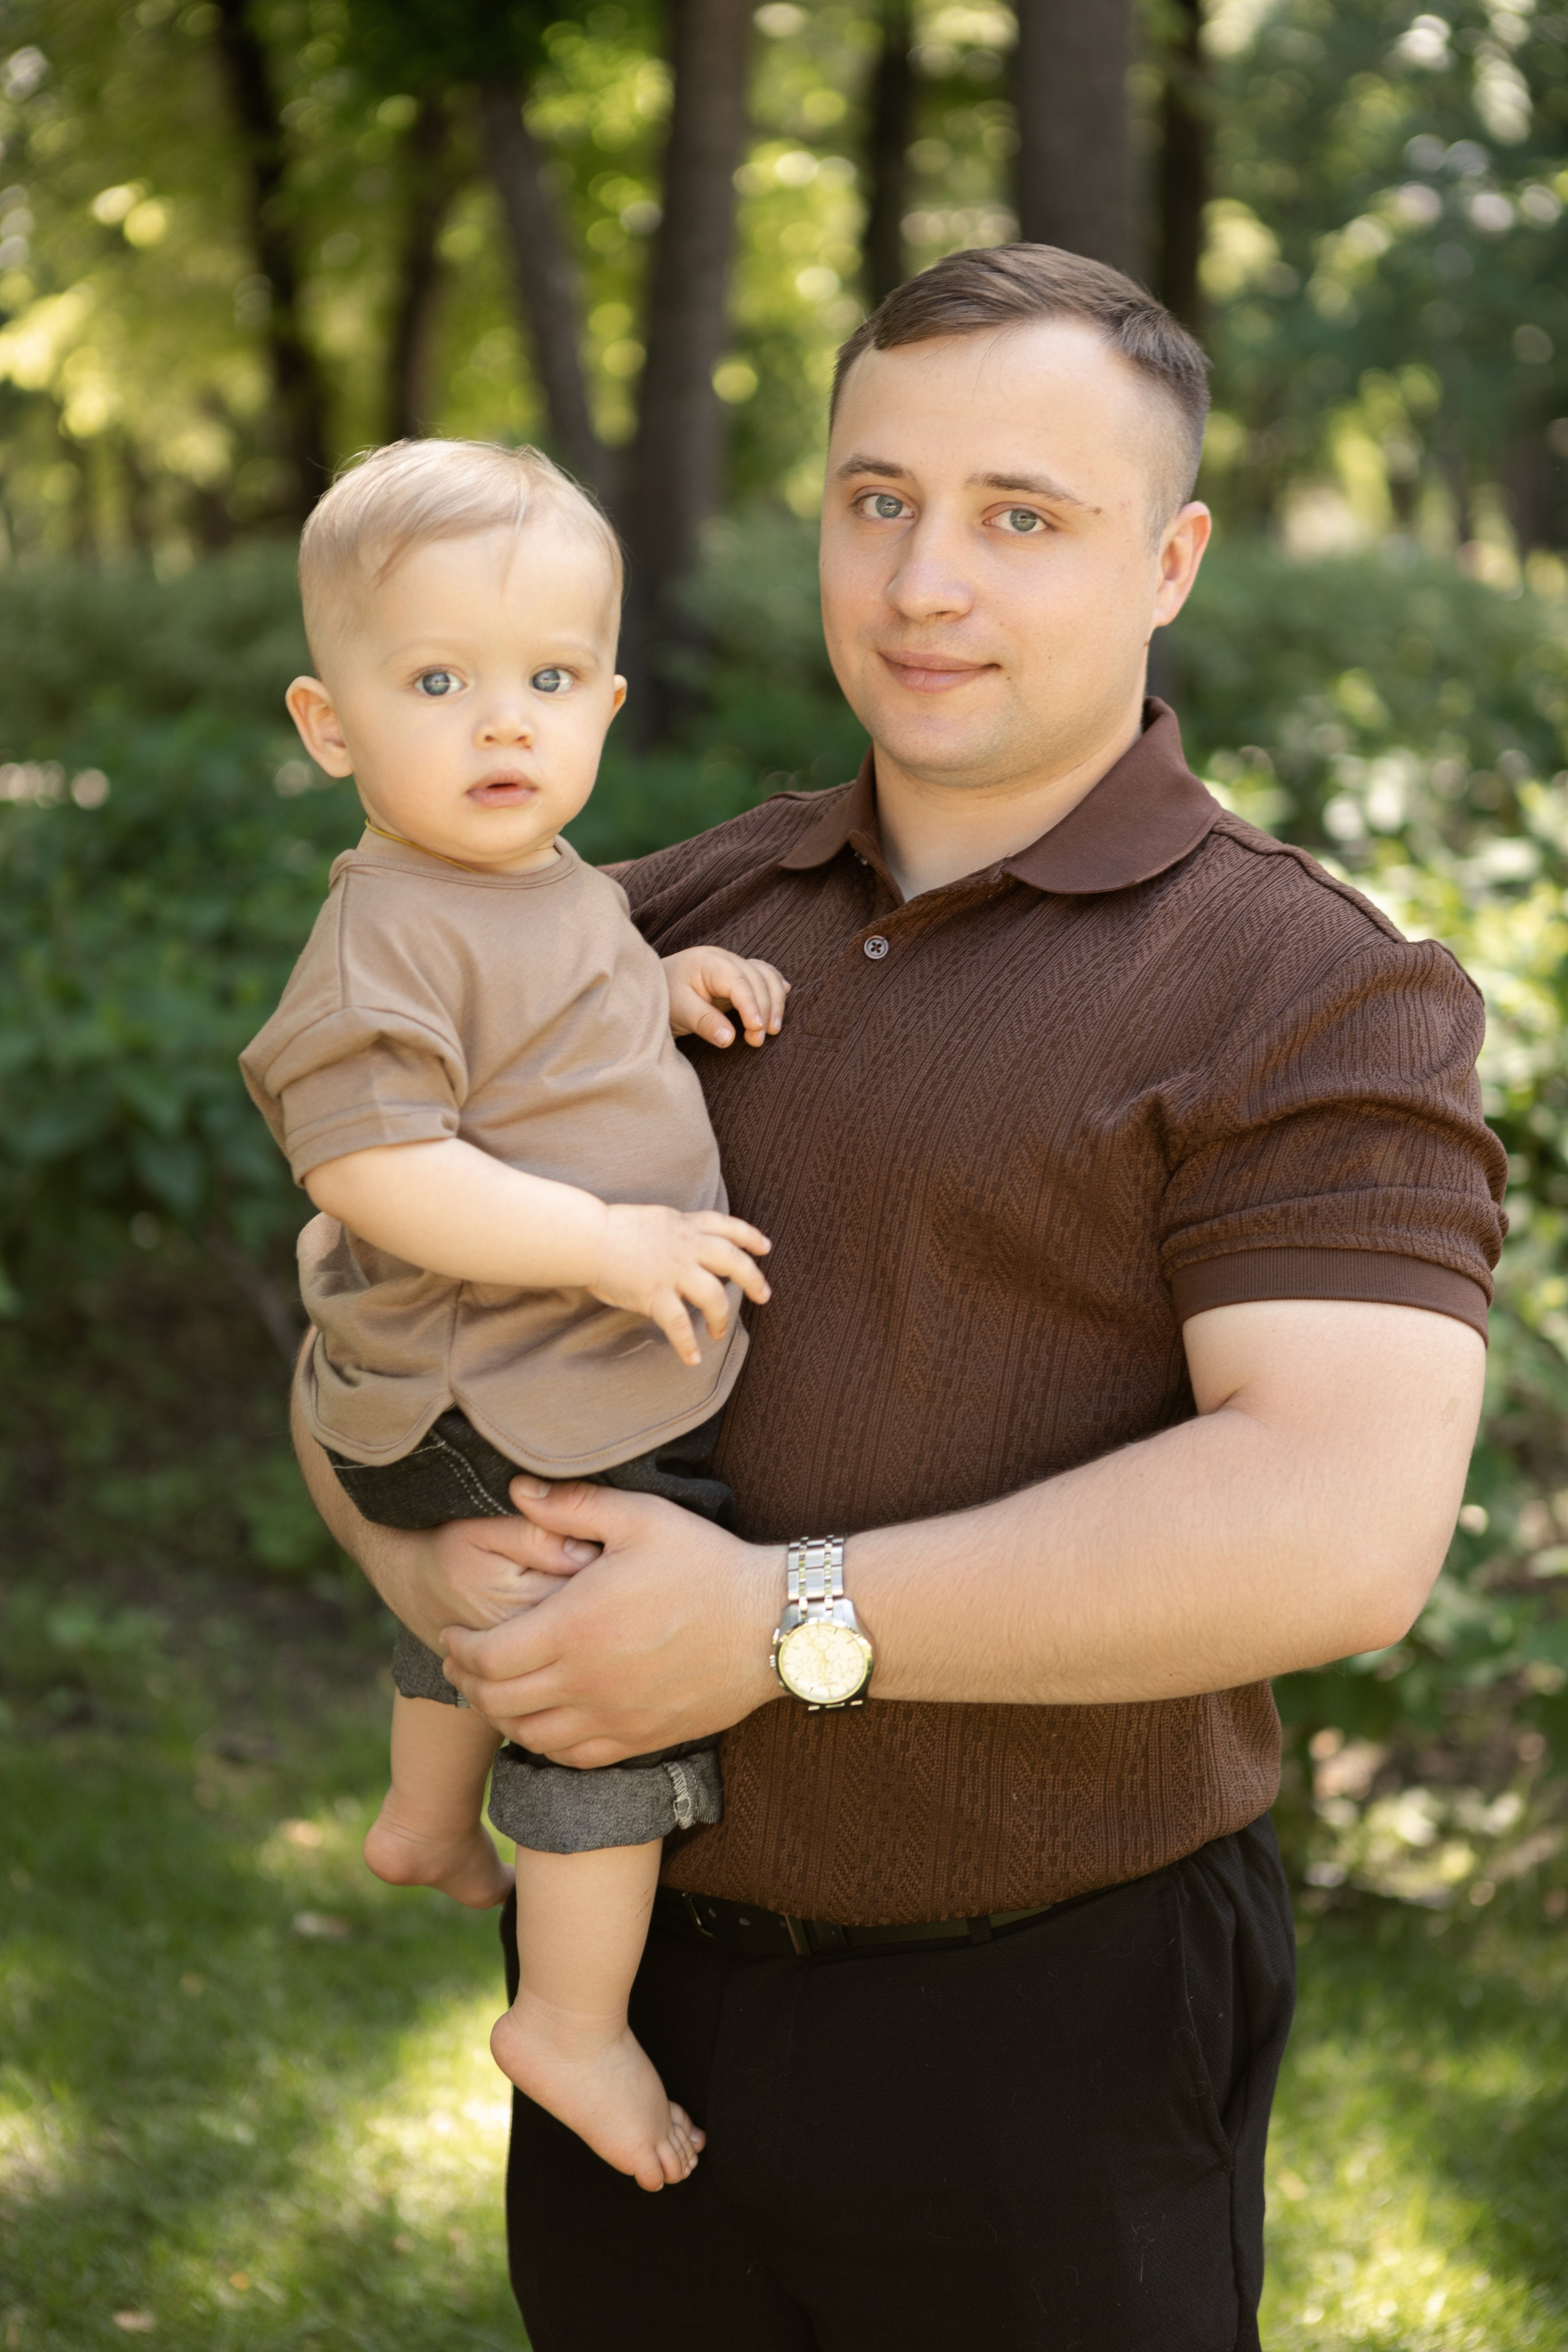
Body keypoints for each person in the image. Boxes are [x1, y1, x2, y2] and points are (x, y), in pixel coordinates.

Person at [295, 249, 1506, 2351]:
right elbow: (361, 1312)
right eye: (879, 500)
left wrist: (771, 1626)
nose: (926, 581)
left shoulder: (1311, 989)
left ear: (1169, 561)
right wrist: (454, 1591)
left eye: (1021, 516)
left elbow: (1343, 1528)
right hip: (636, 1988)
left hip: (1051, 2022)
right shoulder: (651, 913)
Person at [241, 437, 793, 2193]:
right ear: (330, 726)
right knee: (599, 1675)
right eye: (437, 684)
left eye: (551, 681)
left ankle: (423, 1817)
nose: (504, 724)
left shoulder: (537, 882)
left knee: (504, 1599)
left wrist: (664, 983)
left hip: (501, 1386)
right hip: (499, 1391)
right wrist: (607, 1246)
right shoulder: (383, 936)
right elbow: (376, 1168)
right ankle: (569, 2017)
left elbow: (560, 1004)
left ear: (608, 703)